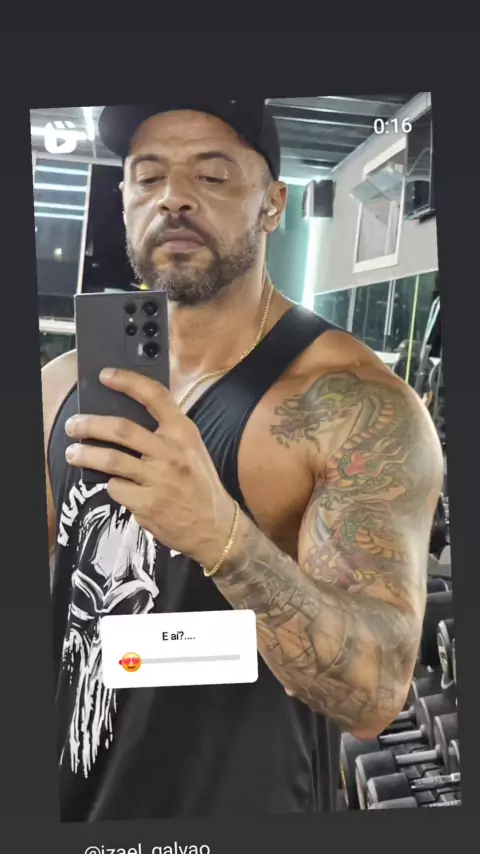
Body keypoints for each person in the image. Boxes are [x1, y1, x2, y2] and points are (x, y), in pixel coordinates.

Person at [42, 99, 444, 822]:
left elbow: (375, 696)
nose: (173, 197)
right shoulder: (60, 385)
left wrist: (221, 536)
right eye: (148, 176)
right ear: (125, 198)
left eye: (212, 176)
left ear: (273, 204)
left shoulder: (351, 404)